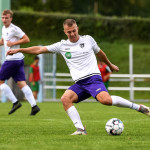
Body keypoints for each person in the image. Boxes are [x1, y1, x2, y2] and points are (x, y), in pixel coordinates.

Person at [7, 19, 150, 134]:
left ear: (77, 29)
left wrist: (110, 65)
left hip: (93, 78)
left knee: (105, 100)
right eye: (69, 32)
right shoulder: (62, 45)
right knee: (65, 99)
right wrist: (19, 49)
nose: (72, 34)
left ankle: (139, 107)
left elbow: (100, 53)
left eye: (74, 31)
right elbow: (39, 49)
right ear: (64, 31)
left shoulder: (88, 40)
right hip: (80, 83)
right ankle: (81, 130)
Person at [0, 10, 40, 115]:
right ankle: (34, 106)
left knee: (0, 82)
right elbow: (3, 41)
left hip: (12, 60)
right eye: (3, 17)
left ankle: (15, 102)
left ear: (11, 18)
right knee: (21, 83)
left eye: (6, 18)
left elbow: (26, 39)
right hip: (18, 60)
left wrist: (14, 43)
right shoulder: (4, 28)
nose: (4, 20)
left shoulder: (14, 29)